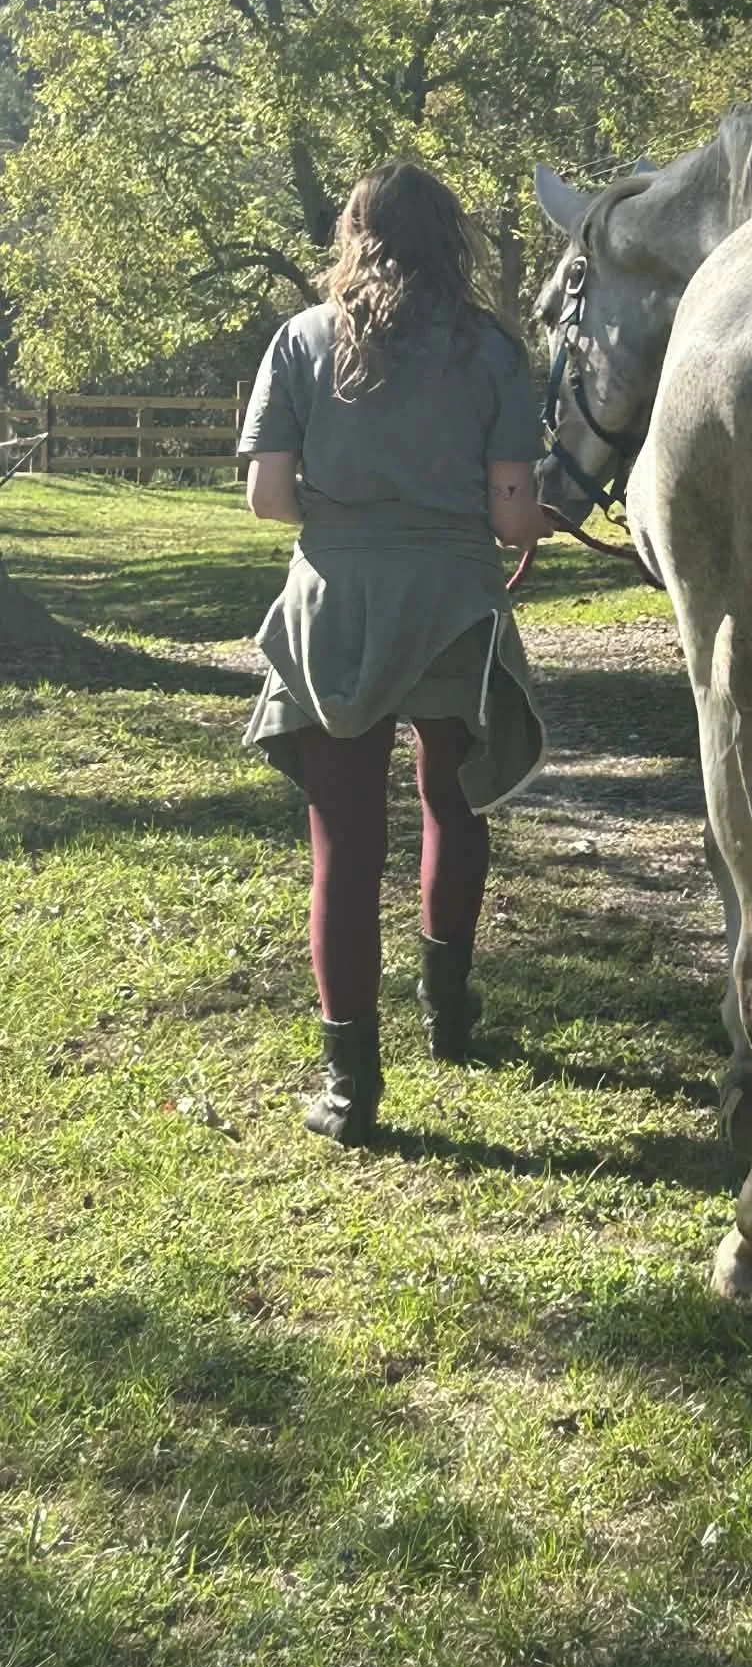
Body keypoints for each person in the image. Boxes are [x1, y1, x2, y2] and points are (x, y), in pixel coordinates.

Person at [238, 160, 553, 1146]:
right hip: (454, 600)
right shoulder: (495, 353)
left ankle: (349, 1085)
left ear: (355, 234)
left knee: (344, 840)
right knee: (452, 808)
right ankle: (449, 1015)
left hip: (334, 603)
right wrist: (509, 516)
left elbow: (268, 499)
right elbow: (509, 516)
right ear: (449, 241)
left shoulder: (298, 341)